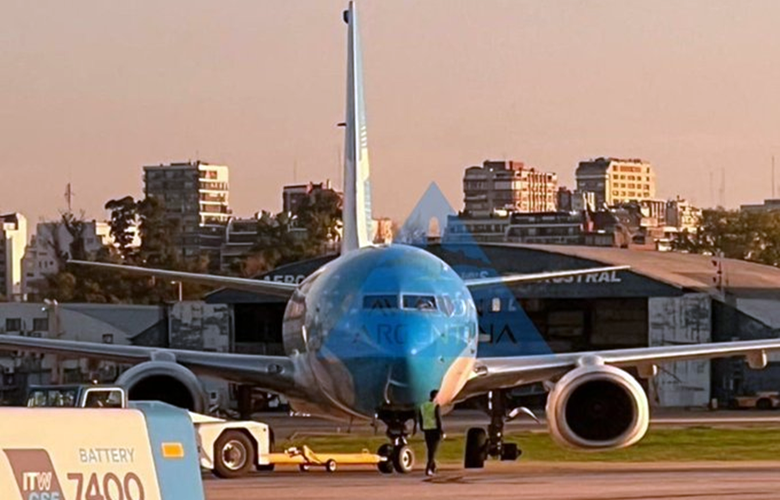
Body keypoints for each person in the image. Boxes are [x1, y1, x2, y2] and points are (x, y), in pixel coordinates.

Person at [418, 389, 444, 476]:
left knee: (430, 450)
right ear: (436, 396)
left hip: (426, 429)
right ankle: (428, 468)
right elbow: (438, 419)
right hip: (435, 430)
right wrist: (441, 431)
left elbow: (420, 417)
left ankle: (433, 467)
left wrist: (422, 427)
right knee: (433, 451)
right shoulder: (436, 406)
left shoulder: (423, 406)